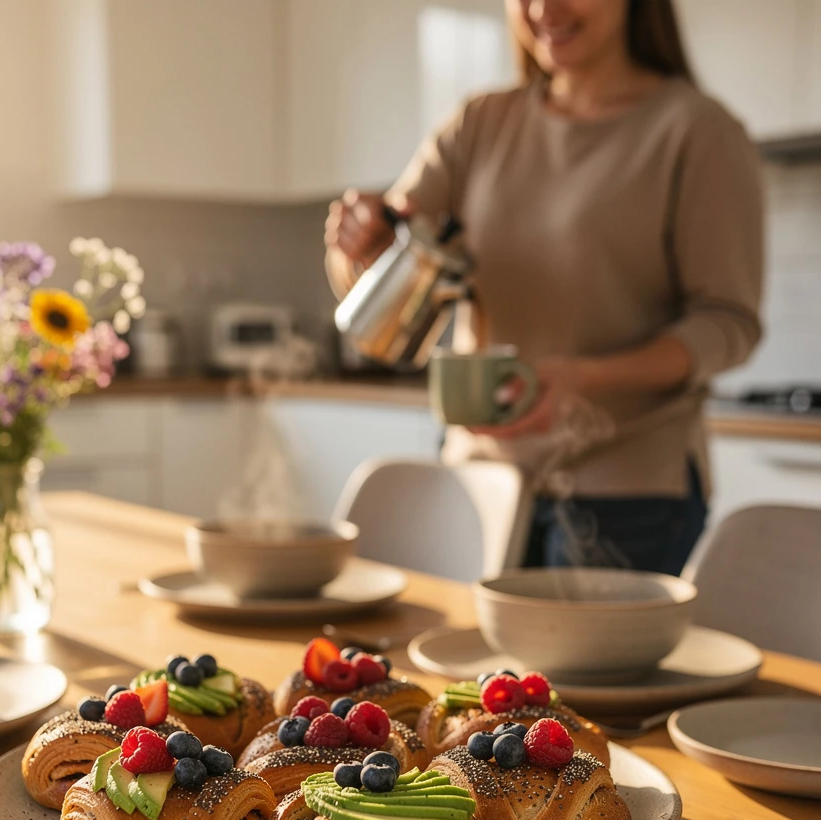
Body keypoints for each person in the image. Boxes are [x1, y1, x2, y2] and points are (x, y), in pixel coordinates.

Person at [324, 0, 763, 576]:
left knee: (575, 670)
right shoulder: (478, 124)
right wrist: (355, 242)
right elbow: (376, 266)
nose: (542, 8)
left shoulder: (697, 132)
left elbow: (728, 324)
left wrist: (582, 377)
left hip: (627, 491)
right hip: (477, 480)